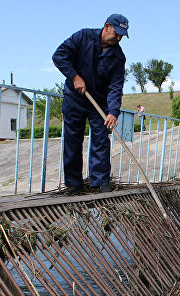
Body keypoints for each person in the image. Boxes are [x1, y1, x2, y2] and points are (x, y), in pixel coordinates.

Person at [52, 14, 129, 194]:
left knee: (101, 140)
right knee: (72, 140)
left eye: (121, 36)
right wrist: (74, 76)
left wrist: (113, 112)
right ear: (107, 26)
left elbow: (116, 86)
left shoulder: (118, 57)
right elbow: (59, 55)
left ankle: (100, 182)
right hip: (75, 98)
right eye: (116, 33)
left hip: (99, 103)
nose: (118, 38)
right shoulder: (82, 37)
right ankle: (73, 183)